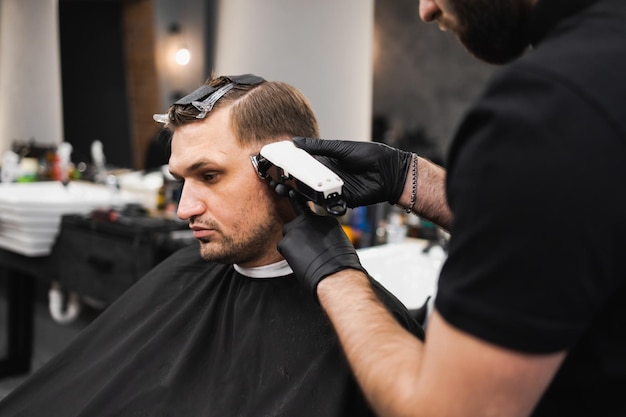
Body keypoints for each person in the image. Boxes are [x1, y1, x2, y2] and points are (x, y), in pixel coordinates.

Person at [0, 74, 423, 416]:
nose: (184, 208)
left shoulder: (381, 336)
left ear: (287, 171)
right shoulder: (186, 272)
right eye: (181, 181)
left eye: (209, 176)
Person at [278, 0, 626, 416]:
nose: (426, 9)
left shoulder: (546, 109)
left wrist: (334, 274)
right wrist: (408, 178)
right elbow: (570, 230)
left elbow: (446, 410)